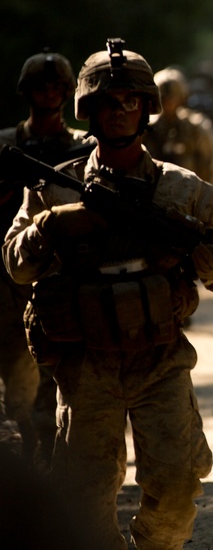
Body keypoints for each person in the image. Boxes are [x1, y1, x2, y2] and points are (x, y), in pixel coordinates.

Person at [3, 40, 213, 550]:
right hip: (86, 367)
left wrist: (195, 251)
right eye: (108, 103)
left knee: (178, 486)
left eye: (131, 101)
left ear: (148, 109)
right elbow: (17, 266)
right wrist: (55, 224)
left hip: (160, 362)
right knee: (84, 504)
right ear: (87, 111)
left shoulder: (184, 191)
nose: (120, 111)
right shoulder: (55, 188)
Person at [0, 51, 91, 470]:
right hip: (9, 278)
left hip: (63, 280)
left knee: (62, 378)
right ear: (26, 92)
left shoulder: (84, 149)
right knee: (16, 382)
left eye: (57, 87)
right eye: (42, 86)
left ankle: (56, 467)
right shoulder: (5, 146)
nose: (50, 94)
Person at [144, 66, 213, 201]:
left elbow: (211, 169)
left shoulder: (196, 128)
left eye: (172, 99)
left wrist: (210, 205)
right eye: (164, 99)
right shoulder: (147, 129)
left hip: (190, 200)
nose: (169, 104)